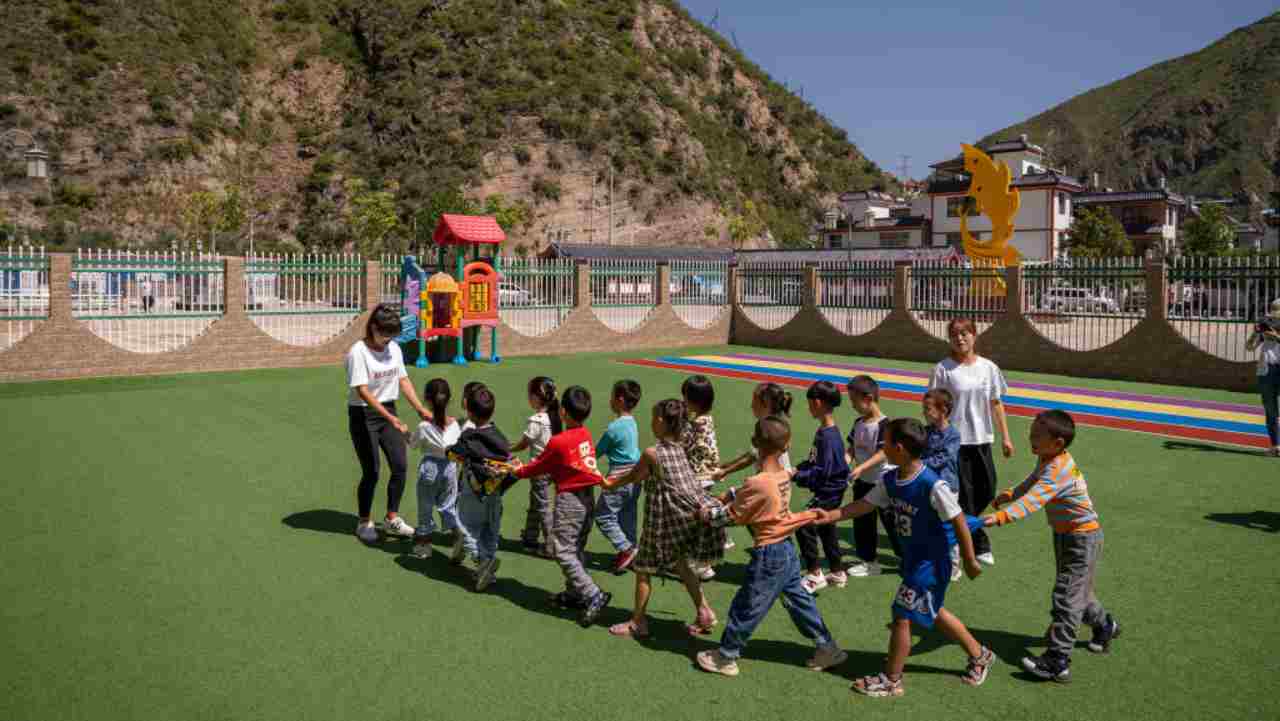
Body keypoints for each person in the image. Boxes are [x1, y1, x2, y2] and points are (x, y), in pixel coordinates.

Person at [815, 418, 993, 698]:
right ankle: (980, 654)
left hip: (932, 563)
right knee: (933, 612)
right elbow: (865, 504)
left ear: (898, 448)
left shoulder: (931, 484)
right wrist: (833, 515)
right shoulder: (891, 479)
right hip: (913, 560)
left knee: (901, 616)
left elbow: (958, 519)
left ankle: (891, 679)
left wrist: (969, 560)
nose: (881, 445)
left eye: (884, 442)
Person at [694, 415, 847, 677]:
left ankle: (726, 656)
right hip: (786, 550)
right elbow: (750, 492)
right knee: (799, 601)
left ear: (755, 442)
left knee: (748, 604)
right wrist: (731, 494)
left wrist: (704, 513)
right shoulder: (781, 474)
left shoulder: (760, 482)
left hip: (770, 553)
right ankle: (827, 647)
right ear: (786, 447)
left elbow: (731, 516)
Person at [984, 410, 1120, 683]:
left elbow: (1034, 500)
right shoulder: (1047, 458)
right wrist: (1011, 494)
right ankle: (1105, 625)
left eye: (1037, 436)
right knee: (1078, 592)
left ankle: (1058, 661)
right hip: (1066, 536)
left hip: (1082, 539)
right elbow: (1033, 482)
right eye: (1031, 433)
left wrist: (1001, 517)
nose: (1031, 439)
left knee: (1067, 597)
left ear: (1058, 443)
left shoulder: (1059, 469)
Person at [602, 399, 726, 639]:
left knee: (643, 568)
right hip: (686, 517)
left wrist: (609, 483)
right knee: (681, 563)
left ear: (660, 421)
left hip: (663, 521)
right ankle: (704, 611)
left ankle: (638, 622)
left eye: (652, 418)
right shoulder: (680, 447)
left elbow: (634, 476)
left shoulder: (652, 452)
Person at [511, 386, 612, 627]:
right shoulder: (585, 434)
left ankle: (592, 593)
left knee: (562, 550)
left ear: (564, 411)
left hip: (570, 501)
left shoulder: (558, 441)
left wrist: (518, 470)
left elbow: (539, 466)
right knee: (576, 547)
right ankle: (575, 593)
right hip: (588, 497)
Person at [928, 316, 1014, 566]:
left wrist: (1005, 437)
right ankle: (976, 544)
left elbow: (996, 403)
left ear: (974, 336)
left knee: (986, 488)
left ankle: (966, 534)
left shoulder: (988, 367)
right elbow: (933, 405)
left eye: (965, 333)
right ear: (949, 338)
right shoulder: (943, 369)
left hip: (982, 439)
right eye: (954, 334)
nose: (960, 338)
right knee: (963, 495)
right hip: (954, 442)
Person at [345, 304, 431, 545]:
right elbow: (363, 392)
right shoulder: (357, 352)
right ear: (373, 327)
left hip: (388, 410)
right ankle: (364, 522)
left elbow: (403, 379)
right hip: (363, 415)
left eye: (392, 336)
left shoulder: (393, 348)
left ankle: (392, 517)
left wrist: (420, 409)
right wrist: (392, 418)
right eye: (385, 334)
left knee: (400, 466)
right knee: (371, 471)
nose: (388, 340)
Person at [450, 386, 513, 591]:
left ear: (469, 411)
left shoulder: (469, 436)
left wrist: (448, 451)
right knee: (490, 528)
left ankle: (482, 560)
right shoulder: (501, 438)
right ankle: (489, 564)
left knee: (463, 524)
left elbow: (454, 453)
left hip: (474, 490)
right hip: (495, 492)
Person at [792, 381, 851, 594]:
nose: (808, 408)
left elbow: (821, 472)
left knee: (804, 525)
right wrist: (797, 469)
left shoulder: (828, 436)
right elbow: (814, 462)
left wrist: (799, 476)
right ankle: (837, 571)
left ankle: (815, 574)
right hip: (833, 488)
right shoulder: (825, 431)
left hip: (830, 490)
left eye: (809, 404)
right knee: (827, 527)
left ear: (817, 403)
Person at [845, 375, 897, 576]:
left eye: (854, 401)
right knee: (862, 523)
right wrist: (846, 461)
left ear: (868, 398)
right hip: (863, 482)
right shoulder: (858, 422)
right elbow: (852, 448)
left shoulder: (885, 425)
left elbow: (883, 453)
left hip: (882, 483)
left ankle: (910, 557)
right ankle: (869, 561)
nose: (852, 406)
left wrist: (860, 468)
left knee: (892, 524)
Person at [407, 378, 462, 559]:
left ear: (427, 400)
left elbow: (413, 444)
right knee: (448, 506)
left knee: (425, 506)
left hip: (430, 468)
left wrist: (404, 431)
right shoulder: (455, 425)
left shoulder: (424, 426)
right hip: (450, 469)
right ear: (448, 399)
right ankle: (458, 536)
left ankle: (424, 546)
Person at [594, 379, 644, 574]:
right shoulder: (632, 422)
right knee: (627, 515)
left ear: (620, 400)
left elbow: (596, 452)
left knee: (603, 515)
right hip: (636, 476)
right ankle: (632, 552)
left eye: (612, 396)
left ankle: (626, 549)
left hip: (618, 478)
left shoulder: (614, 428)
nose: (610, 400)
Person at [510, 377, 560, 557]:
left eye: (530, 394)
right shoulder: (555, 417)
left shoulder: (537, 420)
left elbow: (524, 444)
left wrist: (508, 447)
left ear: (537, 398)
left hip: (539, 470)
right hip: (554, 467)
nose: (528, 398)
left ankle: (551, 546)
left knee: (543, 506)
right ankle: (530, 537)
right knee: (536, 503)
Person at [713, 382, 796, 479]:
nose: (751, 406)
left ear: (766, 404)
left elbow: (751, 457)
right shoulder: (773, 424)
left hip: (773, 481)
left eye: (754, 402)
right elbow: (753, 453)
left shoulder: (768, 428)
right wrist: (725, 466)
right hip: (776, 479)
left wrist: (725, 471)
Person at [1246, 299, 1280, 457]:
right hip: (1266, 370)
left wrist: (1277, 336)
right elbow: (1249, 347)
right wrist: (1256, 333)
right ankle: (1275, 446)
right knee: (1270, 410)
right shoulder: (1266, 329)